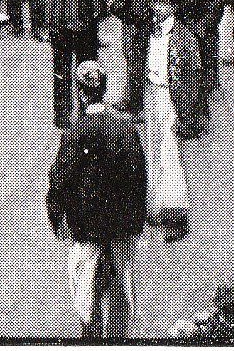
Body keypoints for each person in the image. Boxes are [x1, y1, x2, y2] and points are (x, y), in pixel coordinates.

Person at [50, 62, 148, 340]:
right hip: (120, 222)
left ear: (80, 93)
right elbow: (138, 173)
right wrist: (136, 217)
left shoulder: (75, 131)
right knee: (121, 279)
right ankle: (118, 337)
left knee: (83, 284)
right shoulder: (125, 127)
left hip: (86, 223)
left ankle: (90, 336)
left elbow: (60, 177)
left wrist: (57, 215)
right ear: (104, 90)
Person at [142, 0, 205, 239]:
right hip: (155, 93)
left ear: (174, 6)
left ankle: (178, 215)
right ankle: (162, 206)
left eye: (164, 2)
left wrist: (185, 112)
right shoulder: (155, 30)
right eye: (156, 1)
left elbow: (193, 77)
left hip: (171, 97)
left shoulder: (184, 37)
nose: (158, 6)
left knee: (170, 155)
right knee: (155, 152)